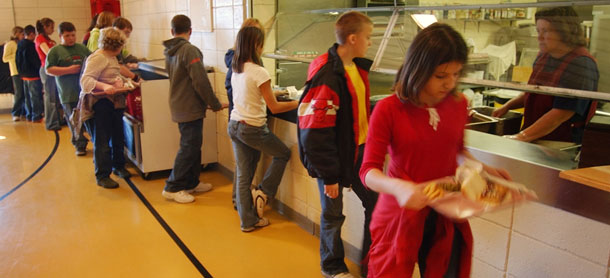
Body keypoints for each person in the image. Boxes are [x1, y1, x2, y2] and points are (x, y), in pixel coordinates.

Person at [359, 23, 511, 278]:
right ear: (418, 70)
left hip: (446, 205)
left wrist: (482, 170)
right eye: (441, 76)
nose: (450, 83)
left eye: (456, 74)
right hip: (402, 207)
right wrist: (398, 187)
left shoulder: (459, 104)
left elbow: (458, 151)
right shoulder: (389, 109)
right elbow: (368, 171)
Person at [297, 11, 379, 278]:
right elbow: (315, 133)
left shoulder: (356, 68)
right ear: (353, 38)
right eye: (368, 37)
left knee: (376, 205)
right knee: (333, 214)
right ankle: (331, 266)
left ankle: (372, 265)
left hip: (360, 153)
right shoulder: (328, 76)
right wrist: (329, 175)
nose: (370, 42)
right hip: (332, 160)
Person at [493, 6, 599, 144]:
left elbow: (561, 113)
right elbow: (534, 92)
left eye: (546, 31)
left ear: (565, 32)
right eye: (538, 31)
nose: (539, 37)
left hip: (561, 143)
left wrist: (521, 136)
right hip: (534, 137)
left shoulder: (581, 64)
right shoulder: (544, 56)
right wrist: (506, 106)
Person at [228, 26, 298, 232]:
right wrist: (298, 102)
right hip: (252, 128)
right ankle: (264, 191)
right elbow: (274, 107)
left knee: (243, 175)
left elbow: (256, 96)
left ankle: (247, 221)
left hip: (235, 125)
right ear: (256, 45)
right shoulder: (259, 71)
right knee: (283, 154)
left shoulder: (236, 68)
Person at [161, 15, 226, 203]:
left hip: (180, 104)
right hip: (188, 107)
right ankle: (172, 187)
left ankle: (191, 182)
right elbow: (200, 81)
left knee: (194, 145)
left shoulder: (170, 50)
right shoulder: (189, 50)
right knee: (188, 147)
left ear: (172, 31)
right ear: (191, 30)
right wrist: (214, 104)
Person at [79, 27, 134, 189]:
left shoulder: (112, 57)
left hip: (114, 101)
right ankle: (102, 175)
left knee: (118, 135)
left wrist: (127, 82)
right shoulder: (98, 58)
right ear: (114, 45)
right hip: (101, 103)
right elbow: (85, 81)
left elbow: (114, 74)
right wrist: (104, 87)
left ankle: (118, 166)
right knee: (102, 141)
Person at [224, 17, 265, 210]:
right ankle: (249, 200)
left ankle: (242, 205)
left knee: (244, 167)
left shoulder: (241, 62)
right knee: (245, 168)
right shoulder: (238, 61)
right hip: (245, 120)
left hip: (238, 120)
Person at [46, 22, 91, 156]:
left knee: (87, 118)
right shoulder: (55, 51)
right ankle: (79, 145)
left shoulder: (82, 48)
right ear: (60, 36)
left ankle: (92, 140)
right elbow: (49, 70)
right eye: (67, 36)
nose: (71, 38)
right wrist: (69, 70)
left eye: (73, 35)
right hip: (68, 93)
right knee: (74, 121)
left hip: (84, 91)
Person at [36, 17, 63, 131]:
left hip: (54, 69)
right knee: (50, 97)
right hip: (47, 69)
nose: (53, 29)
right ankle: (51, 122)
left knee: (56, 97)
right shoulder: (40, 38)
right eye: (51, 27)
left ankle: (57, 120)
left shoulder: (48, 39)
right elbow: (48, 53)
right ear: (45, 27)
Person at [16, 25, 44, 123]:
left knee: (27, 97)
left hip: (24, 75)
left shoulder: (20, 44)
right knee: (35, 96)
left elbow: (17, 60)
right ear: (32, 34)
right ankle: (36, 116)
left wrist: (20, 72)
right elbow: (34, 60)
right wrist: (38, 69)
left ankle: (29, 115)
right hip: (32, 74)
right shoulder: (31, 46)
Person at [2, 26, 25, 121]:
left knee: (25, 93)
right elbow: (5, 58)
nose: (23, 36)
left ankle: (24, 111)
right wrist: (16, 56)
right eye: (22, 34)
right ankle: (15, 112)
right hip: (15, 71)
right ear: (16, 34)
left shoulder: (21, 43)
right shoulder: (10, 44)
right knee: (18, 93)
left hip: (24, 70)